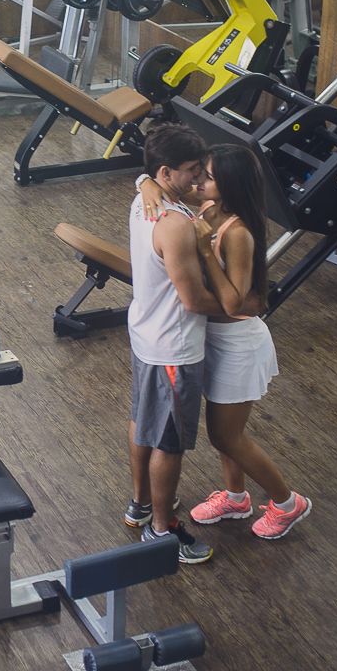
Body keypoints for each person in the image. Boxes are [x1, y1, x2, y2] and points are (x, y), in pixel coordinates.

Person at [139, 143, 310, 540]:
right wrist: (145, 181)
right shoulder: (205, 211)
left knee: (225, 434)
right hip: (211, 340)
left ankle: (287, 503)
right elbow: (159, 177)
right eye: (199, 174)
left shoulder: (238, 234)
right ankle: (236, 497)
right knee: (222, 428)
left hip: (238, 344)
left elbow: (233, 302)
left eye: (208, 176)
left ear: (229, 184)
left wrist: (202, 248)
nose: (199, 180)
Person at [125, 124, 224, 564]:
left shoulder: (143, 198)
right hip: (174, 350)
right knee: (169, 442)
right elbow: (194, 299)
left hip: (146, 335)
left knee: (143, 420)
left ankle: (142, 503)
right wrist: (241, 307)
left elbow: (145, 179)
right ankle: (162, 530)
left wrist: (144, 180)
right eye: (192, 171)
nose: (200, 179)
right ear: (166, 172)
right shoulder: (177, 224)